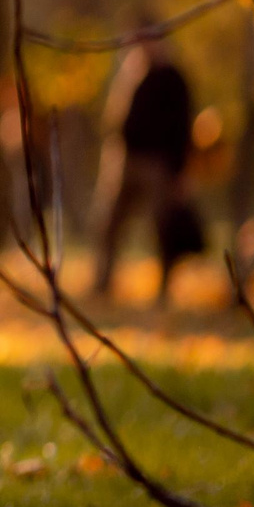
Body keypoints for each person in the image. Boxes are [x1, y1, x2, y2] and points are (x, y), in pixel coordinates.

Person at [92, 29, 201, 302]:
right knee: (108, 224)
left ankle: (164, 288)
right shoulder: (132, 75)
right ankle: (102, 283)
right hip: (127, 162)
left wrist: (180, 171)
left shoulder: (173, 78)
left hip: (157, 165)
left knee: (162, 226)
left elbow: (183, 128)